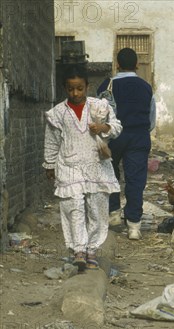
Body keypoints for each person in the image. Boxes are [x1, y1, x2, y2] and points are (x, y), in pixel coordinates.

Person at [43, 64, 122, 270]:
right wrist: (50, 164)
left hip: (96, 165)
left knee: (96, 208)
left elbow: (117, 127)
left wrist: (103, 127)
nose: (75, 93)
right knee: (74, 206)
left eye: (79, 88)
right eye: (70, 89)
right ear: (65, 89)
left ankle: (92, 250)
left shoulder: (99, 107)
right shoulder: (58, 113)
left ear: (87, 86)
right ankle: (78, 250)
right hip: (69, 165)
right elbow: (51, 141)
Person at [97, 48, 156, 240]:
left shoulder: (106, 86)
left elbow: (99, 115)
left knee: (110, 173)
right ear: (137, 65)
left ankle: (113, 214)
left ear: (117, 63)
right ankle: (134, 226)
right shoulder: (146, 87)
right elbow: (152, 118)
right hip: (139, 136)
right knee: (135, 180)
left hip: (113, 138)